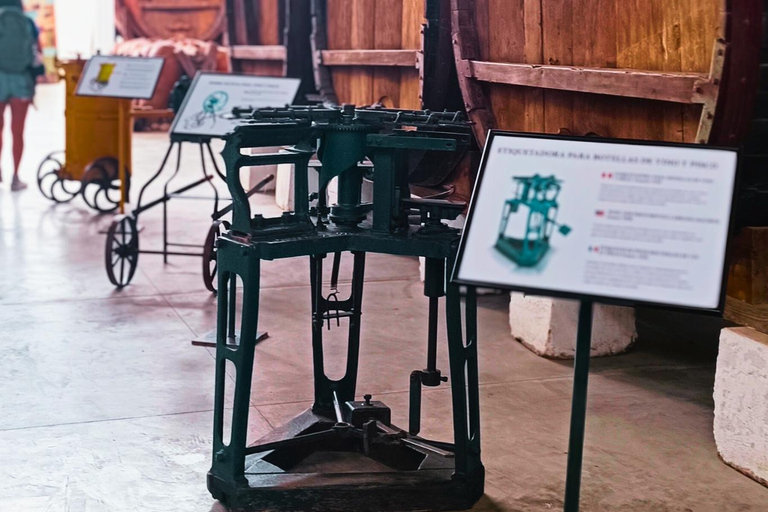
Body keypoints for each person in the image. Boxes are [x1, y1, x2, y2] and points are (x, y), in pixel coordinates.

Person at [0, 0, 44, 191]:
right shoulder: (28, 23)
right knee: (17, 132)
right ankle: (15, 177)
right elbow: (37, 53)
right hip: (21, 81)